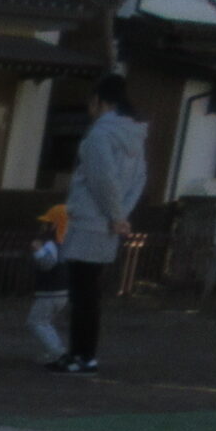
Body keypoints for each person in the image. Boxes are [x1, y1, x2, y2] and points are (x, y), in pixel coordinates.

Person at [59, 73, 147, 376]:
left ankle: (80, 355)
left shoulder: (99, 135)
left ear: (99, 100)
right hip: (110, 224)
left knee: (82, 293)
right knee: (90, 292)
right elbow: (138, 181)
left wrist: (115, 215)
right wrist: (121, 215)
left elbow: (102, 179)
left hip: (90, 221)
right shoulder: (134, 137)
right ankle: (84, 354)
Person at [29, 203, 72, 364]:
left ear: (55, 225)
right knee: (45, 322)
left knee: (36, 322)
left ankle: (57, 352)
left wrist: (38, 250)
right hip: (62, 292)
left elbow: (47, 264)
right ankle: (55, 351)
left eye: (48, 223)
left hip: (50, 292)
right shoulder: (68, 245)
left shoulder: (50, 244)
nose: (44, 227)